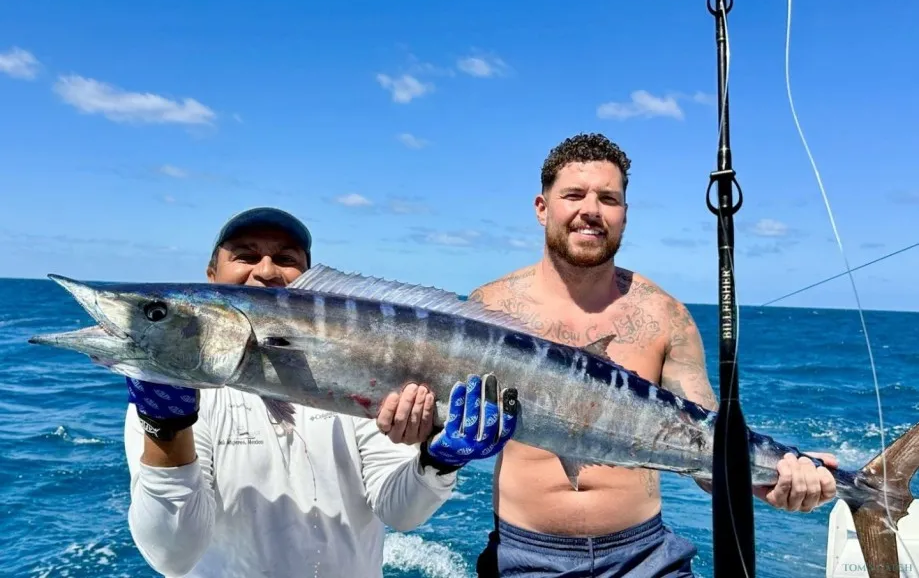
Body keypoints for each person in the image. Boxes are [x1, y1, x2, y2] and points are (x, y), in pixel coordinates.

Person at [463, 133, 839, 577]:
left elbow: (707, 451)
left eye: (608, 198)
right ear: (542, 208)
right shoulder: (490, 308)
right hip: (525, 559)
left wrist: (773, 480)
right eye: (574, 195)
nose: (591, 210)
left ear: (624, 214)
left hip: (645, 559)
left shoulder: (664, 316)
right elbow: (446, 428)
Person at [122, 207, 518, 578]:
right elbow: (172, 554)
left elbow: (401, 512)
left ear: (310, 282)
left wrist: (437, 461)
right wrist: (166, 431)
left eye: (286, 259)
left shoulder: (360, 371)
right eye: (245, 256)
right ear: (211, 276)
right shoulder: (167, 402)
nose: (266, 271)